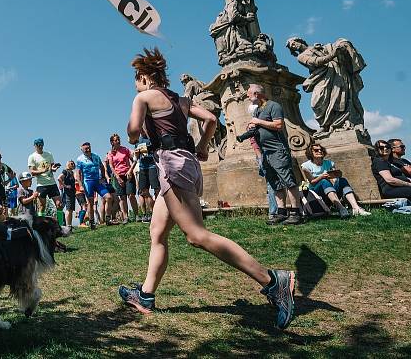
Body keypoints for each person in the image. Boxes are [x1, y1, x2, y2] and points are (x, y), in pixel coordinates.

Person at [117, 48, 296, 330]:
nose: (135, 85)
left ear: (145, 77)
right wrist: (201, 146)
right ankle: (146, 295)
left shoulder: (143, 97)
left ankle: (274, 281)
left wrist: (134, 130)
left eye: (137, 79)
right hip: (187, 163)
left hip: (171, 166)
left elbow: (133, 132)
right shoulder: (182, 100)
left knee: (196, 236)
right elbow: (212, 119)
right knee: (158, 231)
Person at [244, 84, 304, 225]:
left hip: (277, 149)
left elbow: (278, 125)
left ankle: (296, 213)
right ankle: (281, 212)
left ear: (257, 94)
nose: (247, 96)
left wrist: (258, 122)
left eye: (249, 94)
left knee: (288, 180)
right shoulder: (258, 110)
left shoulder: (273, 106)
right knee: (274, 182)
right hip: (265, 152)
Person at [300, 144, 370, 217]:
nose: (320, 151)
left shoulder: (329, 163)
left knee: (342, 180)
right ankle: (341, 208)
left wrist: (337, 175)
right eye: (316, 150)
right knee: (324, 181)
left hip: (331, 188)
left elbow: (334, 178)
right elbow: (312, 182)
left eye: (321, 149)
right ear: (310, 152)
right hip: (317, 192)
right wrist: (321, 177)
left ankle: (356, 208)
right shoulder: (306, 166)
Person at [74, 142, 112, 229]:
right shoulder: (80, 159)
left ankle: (108, 219)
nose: (88, 149)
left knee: (109, 197)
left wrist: (102, 177)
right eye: (85, 148)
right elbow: (78, 173)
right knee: (90, 203)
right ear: (82, 150)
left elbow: (102, 167)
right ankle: (92, 222)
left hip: (97, 182)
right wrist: (81, 185)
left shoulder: (96, 156)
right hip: (88, 182)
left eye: (89, 148)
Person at [107, 134, 137, 223]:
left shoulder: (125, 150)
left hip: (128, 174)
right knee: (122, 197)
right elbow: (111, 166)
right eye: (116, 140)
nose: (118, 141)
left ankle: (137, 215)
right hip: (118, 176)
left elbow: (134, 160)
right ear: (112, 142)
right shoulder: (110, 153)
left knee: (131, 195)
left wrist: (130, 170)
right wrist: (117, 177)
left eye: (119, 139)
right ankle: (125, 217)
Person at [27, 138, 61, 215]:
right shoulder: (32, 157)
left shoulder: (49, 154)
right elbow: (32, 172)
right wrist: (43, 171)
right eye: (38, 145)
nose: (40, 146)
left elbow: (52, 168)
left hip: (52, 183)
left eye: (41, 145)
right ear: (35, 146)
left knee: (59, 205)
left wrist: (54, 168)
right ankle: (41, 226)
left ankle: (60, 225)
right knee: (42, 206)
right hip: (41, 185)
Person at [133, 141, 158, 223]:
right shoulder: (138, 141)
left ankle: (159, 212)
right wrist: (136, 154)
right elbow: (135, 158)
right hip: (142, 167)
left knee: (156, 189)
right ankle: (152, 213)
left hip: (152, 165)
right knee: (143, 191)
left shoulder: (150, 138)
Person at [58, 161, 78, 231]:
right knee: (68, 209)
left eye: (73, 163)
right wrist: (65, 186)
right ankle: (67, 226)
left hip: (72, 192)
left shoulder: (72, 172)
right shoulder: (65, 171)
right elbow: (59, 178)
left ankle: (69, 225)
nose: (73, 165)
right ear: (68, 164)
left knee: (71, 210)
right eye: (71, 163)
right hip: (67, 193)